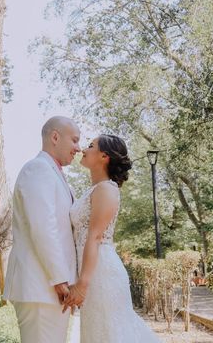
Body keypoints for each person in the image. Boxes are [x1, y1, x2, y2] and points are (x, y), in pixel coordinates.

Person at [65, 134, 160, 342]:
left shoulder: (106, 189)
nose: (84, 149)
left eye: (90, 146)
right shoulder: (93, 190)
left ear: (104, 156)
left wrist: (82, 285)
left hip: (101, 274)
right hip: (93, 272)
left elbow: (95, 237)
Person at [3, 116, 81, 343]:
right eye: (74, 140)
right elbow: (43, 227)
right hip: (40, 286)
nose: (78, 148)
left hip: (51, 289)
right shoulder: (37, 169)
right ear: (55, 137)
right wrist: (60, 279)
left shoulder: (56, 174)